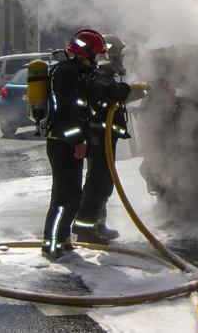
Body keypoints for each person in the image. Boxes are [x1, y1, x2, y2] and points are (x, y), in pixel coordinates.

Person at [41, 29, 108, 260]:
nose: (96, 60)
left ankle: (63, 239)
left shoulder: (78, 73)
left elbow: (82, 109)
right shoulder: (67, 73)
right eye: (95, 55)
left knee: (73, 195)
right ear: (85, 53)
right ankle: (51, 243)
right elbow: (66, 113)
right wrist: (78, 141)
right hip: (62, 143)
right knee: (62, 195)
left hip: (71, 142)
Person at [73, 34, 140, 244]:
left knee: (104, 180)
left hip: (104, 135)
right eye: (119, 54)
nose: (121, 59)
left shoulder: (104, 70)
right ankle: (85, 229)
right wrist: (126, 89)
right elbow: (109, 92)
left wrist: (138, 90)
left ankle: (98, 225)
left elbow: (116, 94)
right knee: (98, 181)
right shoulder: (101, 71)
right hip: (97, 135)